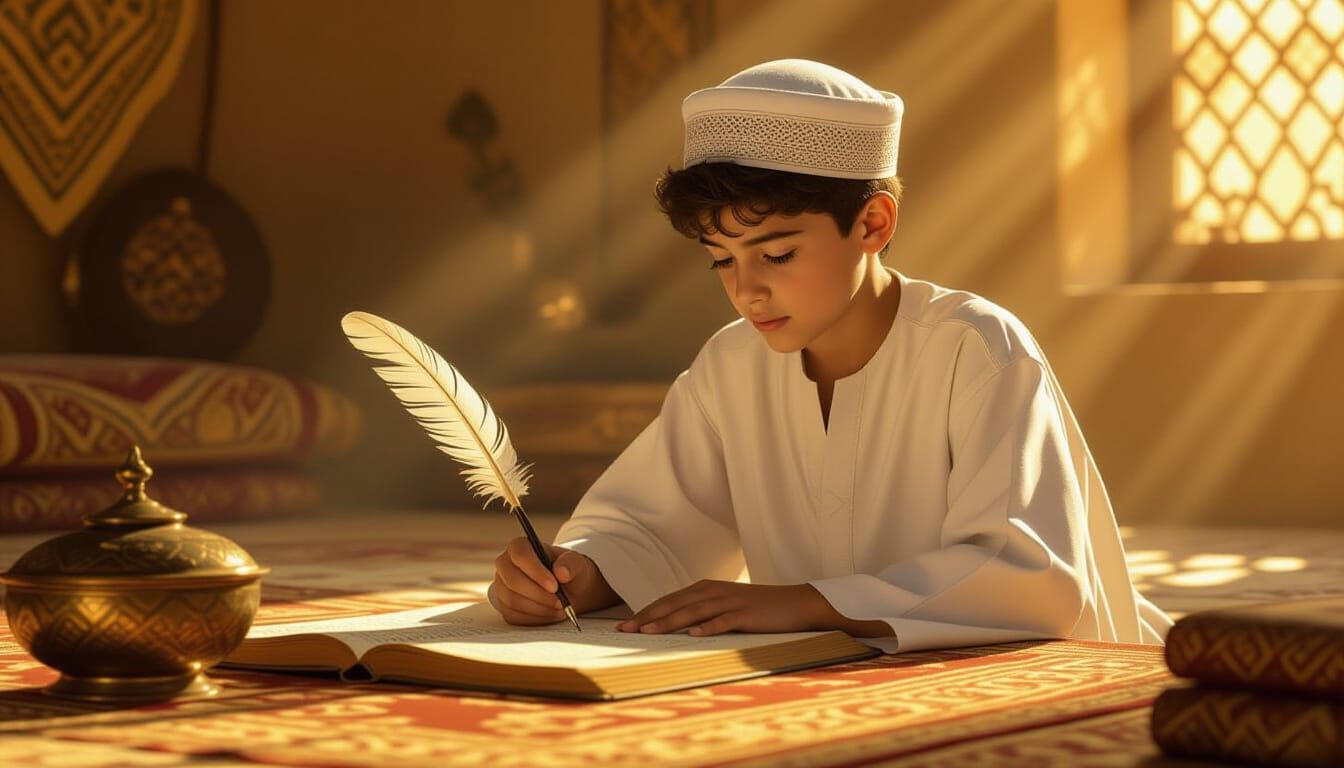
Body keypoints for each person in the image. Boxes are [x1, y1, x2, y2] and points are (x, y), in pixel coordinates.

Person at [488, 59, 1171, 651]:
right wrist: (576, 575)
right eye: (721, 260)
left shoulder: (976, 347)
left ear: (873, 223)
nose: (746, 291)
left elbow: (1029, 575)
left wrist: (809, 603)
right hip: (826, 684)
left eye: (778, 254)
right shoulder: (732, 365)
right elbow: (652, 525)